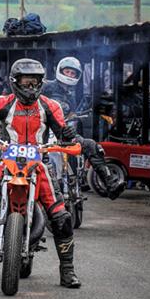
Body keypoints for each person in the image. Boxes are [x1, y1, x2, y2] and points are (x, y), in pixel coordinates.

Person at [0, 58, 81, 288]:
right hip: (8, 161)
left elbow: (62, 131)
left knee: (62, 217)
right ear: (15, 82)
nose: (31, 87)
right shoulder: (3, 103)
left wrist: (70, 136)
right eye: (26, 82)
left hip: (40, 165)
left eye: (35, 82)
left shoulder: (51, 106)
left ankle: (67, 270)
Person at [42, 56, 125, 200]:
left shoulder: (71, 95)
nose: (69, 75)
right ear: (60, 71)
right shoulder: (46, 86)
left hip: (62, 133)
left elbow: (71, 115)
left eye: (73, 73)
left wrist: (71, 122)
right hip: (41, 132)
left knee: (92, 146)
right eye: (67, 71)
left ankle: (110, 183)